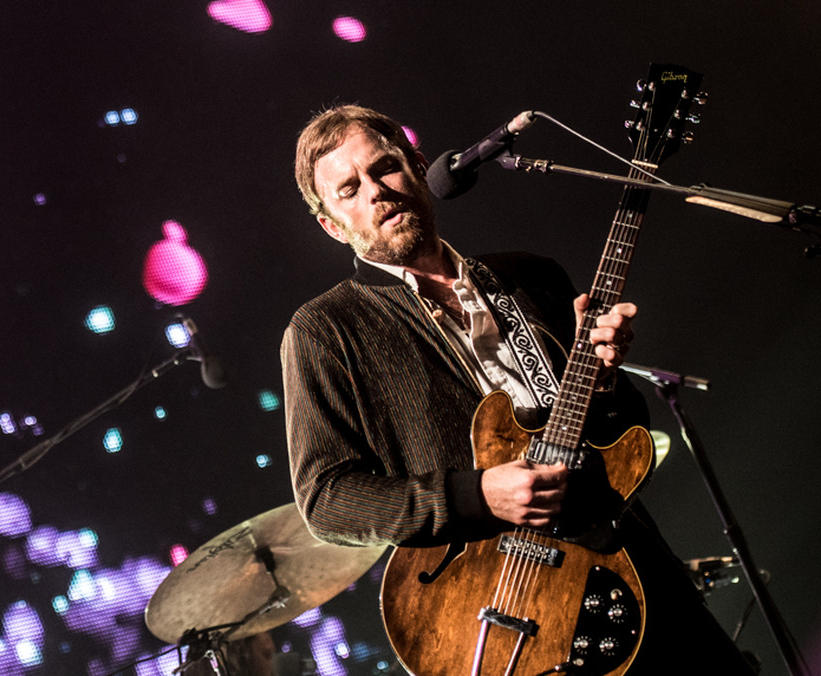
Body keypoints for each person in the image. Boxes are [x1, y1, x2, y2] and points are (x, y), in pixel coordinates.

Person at [281, 104, 755, 673]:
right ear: (331, 224)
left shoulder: (532, 276)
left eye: (384, 168)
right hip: (494, 600)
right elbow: (327, 499)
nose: (376, 192)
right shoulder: (325, 331)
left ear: (420, 166)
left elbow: (624, 436)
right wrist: (480, 494)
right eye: (348, 189)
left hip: (632, 567)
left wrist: (601, 380)